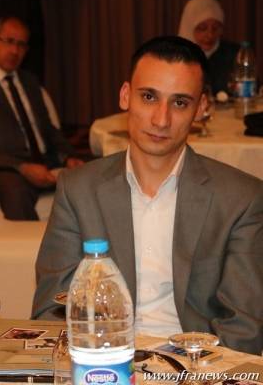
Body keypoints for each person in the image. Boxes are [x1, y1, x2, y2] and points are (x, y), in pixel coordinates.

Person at [32, 36, 263, 354]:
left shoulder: (241, 199)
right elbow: (52, 310)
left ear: (201, 108)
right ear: (125, 96)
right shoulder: (78, 189)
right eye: (149, 97)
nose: (161, 119)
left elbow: (244, 329)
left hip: (195, 366)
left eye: (180, 103)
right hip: (103, 361)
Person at [0, 16, 83, 221]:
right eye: (9, 41)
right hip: (3, 169)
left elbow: (48, 130)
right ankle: (30, 242)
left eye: (21, 45)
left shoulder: (30, 81)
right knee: (15, 189)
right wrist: (22, 167)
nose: (15, 51)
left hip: (45, 162)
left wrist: (69, 157)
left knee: (97, 170)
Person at [178, 0, 239, 95]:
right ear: (188, 28)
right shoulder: (175, 56)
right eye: (202, 28)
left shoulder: (233, 54)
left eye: (215, 28)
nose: (210, 35)